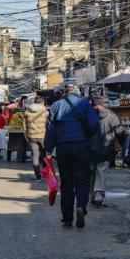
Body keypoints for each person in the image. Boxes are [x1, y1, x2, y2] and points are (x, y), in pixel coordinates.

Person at [45, 84, 98, 229]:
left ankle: (67, 219)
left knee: (67, 183)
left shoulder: (56, 106)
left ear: (65, 93)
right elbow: (94, 125)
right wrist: (86, 137)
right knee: (82, 180)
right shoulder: (85, 104)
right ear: (78, 93)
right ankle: (81, 206)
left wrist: (48, 150)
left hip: (63, 148)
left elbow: (50, 129)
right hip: (81, 146)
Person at [90, 96, 124, 207]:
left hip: (90, 149)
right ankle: (98, 198)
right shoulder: (111, 116)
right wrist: (122, 144)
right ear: (103, 104)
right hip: (106, 148)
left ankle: (91, 196)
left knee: (92, 174)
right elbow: (119, 131)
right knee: (101, 173)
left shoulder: (88, 115)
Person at [24, 96, 48, 181]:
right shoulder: (45, 111)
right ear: (42, 102)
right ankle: (45, 175)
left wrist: (27, 135)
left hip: (31, 136)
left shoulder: (27, 111)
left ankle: (38, 176)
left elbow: (25, 125)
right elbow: (48, 124)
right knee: (44, 156)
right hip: (42, 137)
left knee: (35, 156)